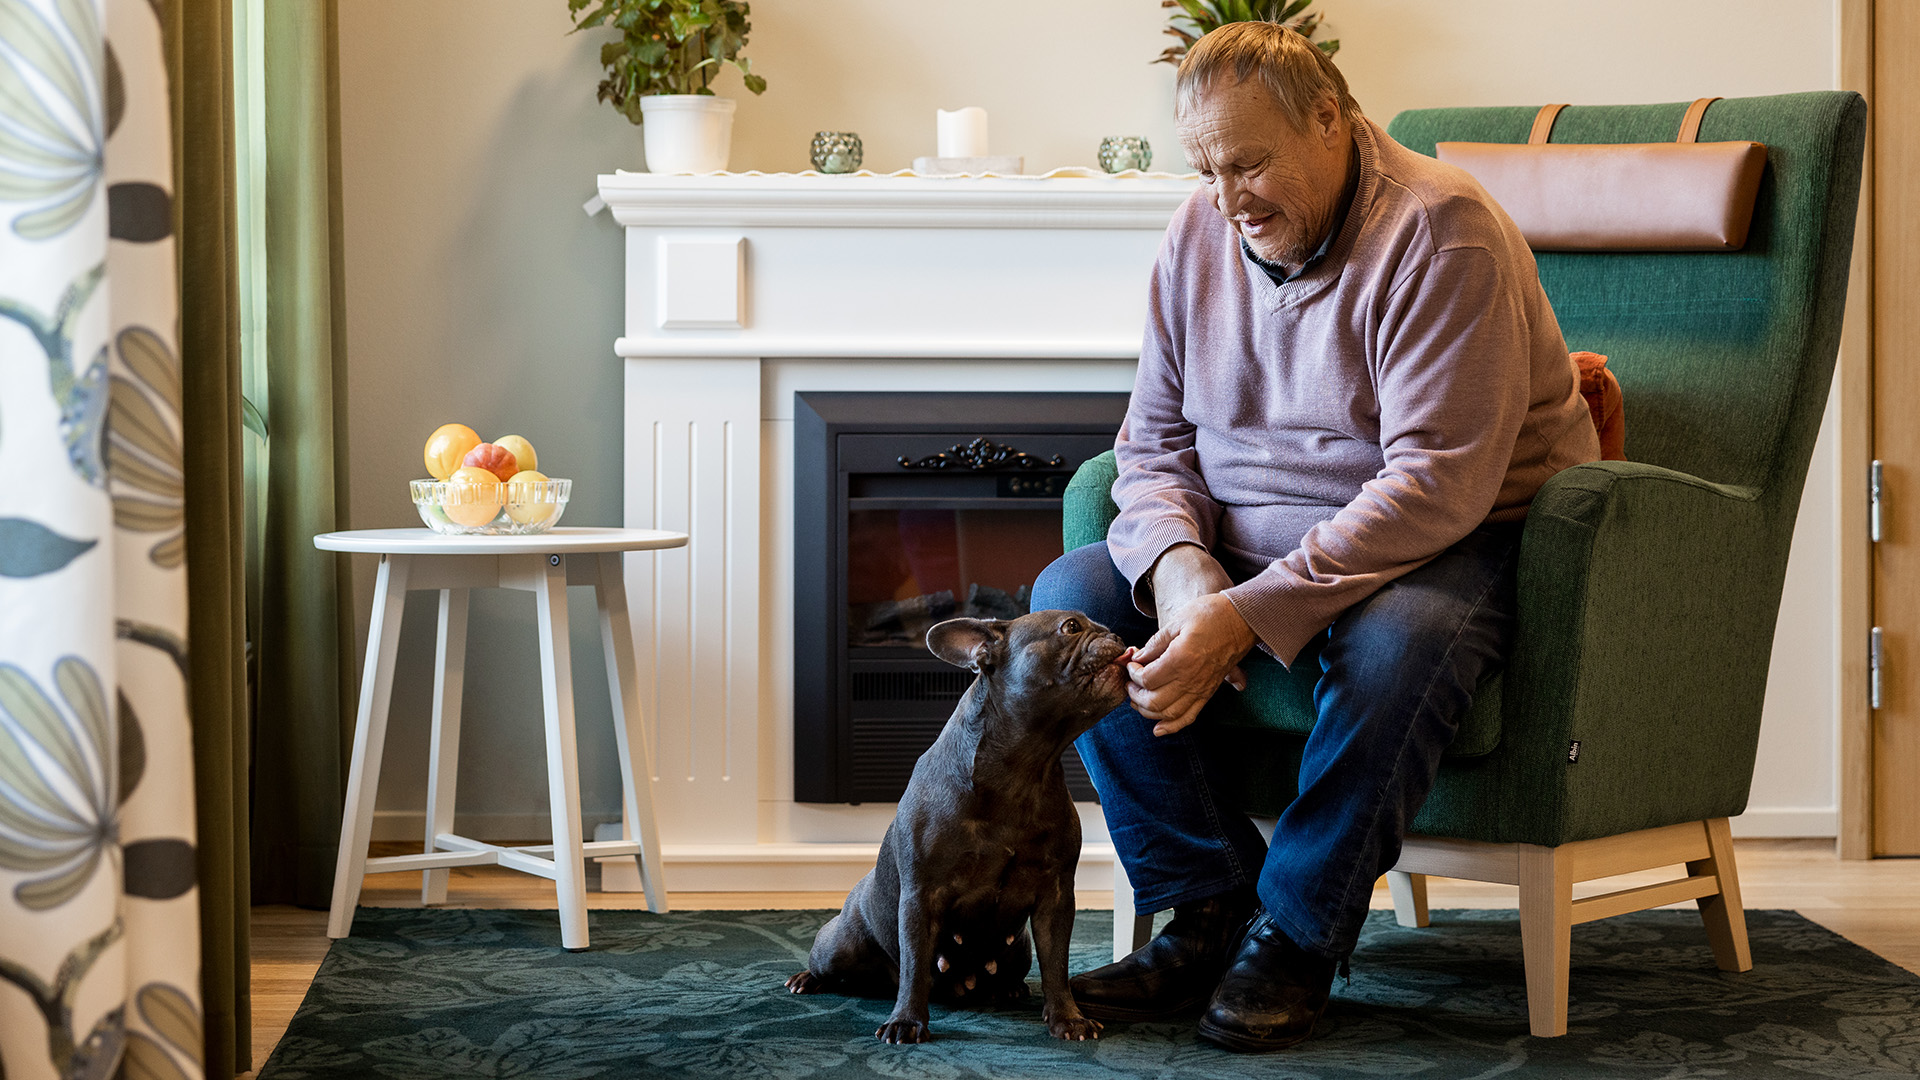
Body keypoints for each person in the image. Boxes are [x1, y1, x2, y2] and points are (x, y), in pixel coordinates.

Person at [1028, 21, 1601, 1053]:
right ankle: (1207, 910)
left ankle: (1295, 935)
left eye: (1249, 163)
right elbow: (1148, 446)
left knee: (1399, 642)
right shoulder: (1198, 235)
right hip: (1246, 539)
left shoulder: (1443, 232)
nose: (1226, 198)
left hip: (1441, 540)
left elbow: (1435, 486)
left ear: (1332, 119)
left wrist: (1243, 618)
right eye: (1207, 168)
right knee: (1073, 598)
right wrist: (1182, 571)